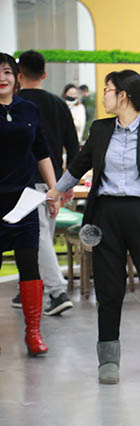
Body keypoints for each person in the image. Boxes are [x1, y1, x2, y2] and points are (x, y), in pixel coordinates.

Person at [46, 69, 140, 384]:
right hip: (105, 214)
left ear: (123, 95)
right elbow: (79, 165)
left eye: (107, 90)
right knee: (109, 289)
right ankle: (108, 358)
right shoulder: (100, 130)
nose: (104, 96)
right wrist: (56, 190)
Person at [0, 52, 60, 356]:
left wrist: (53, 189)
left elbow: (42, 151)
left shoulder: (29, 109)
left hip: (23, 201)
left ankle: (33, 333)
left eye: (7, 72)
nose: (2, 78)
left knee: (29, 264)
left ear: (17, 77)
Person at [15, 50, 79, 317]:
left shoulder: (14, 104)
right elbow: (73, 145)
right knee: (40, 237)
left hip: (24, 180)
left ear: (18, 75)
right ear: (44, 74)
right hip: (54, 180)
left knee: (38, 237)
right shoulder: (58, 104)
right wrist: (69, 182)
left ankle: (57, 292)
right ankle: (29, 285)